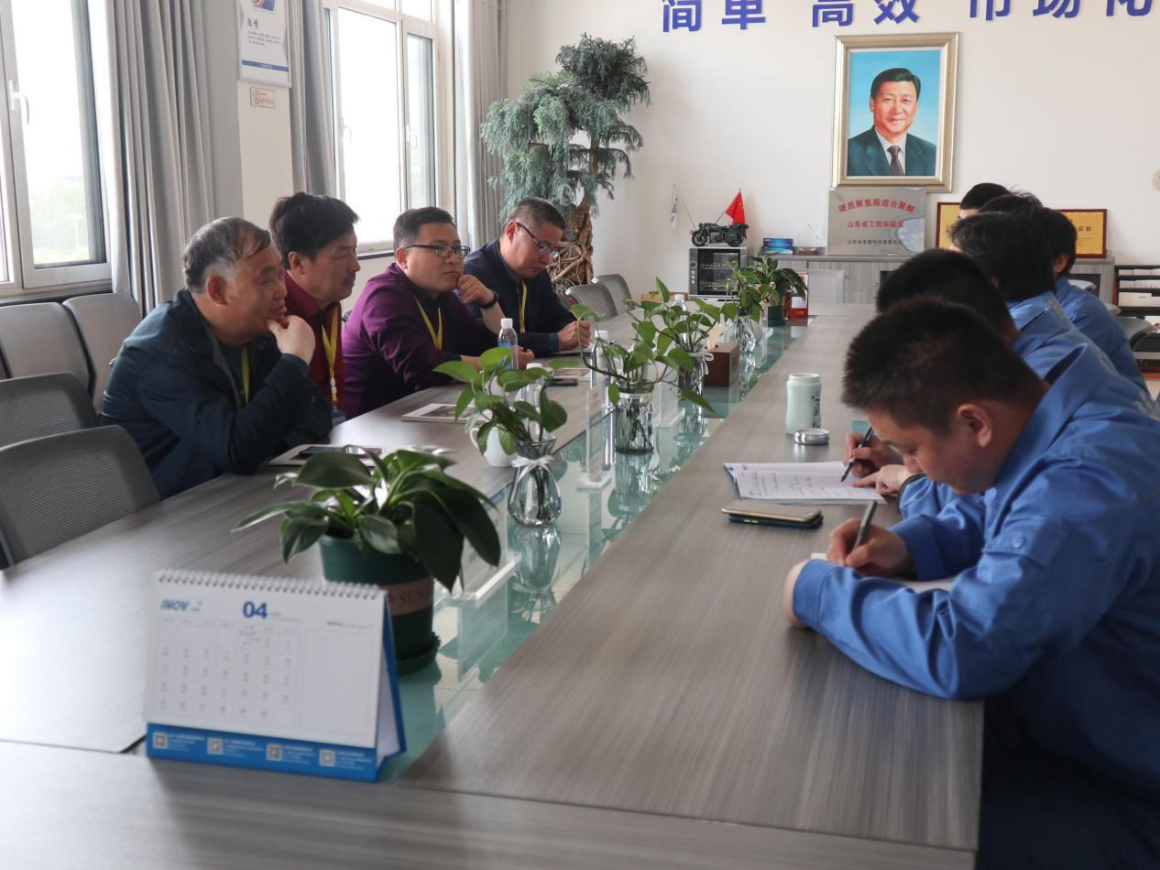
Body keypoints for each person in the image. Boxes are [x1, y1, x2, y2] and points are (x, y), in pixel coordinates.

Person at [784, 299, 1160, 868]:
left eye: (912, 450)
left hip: (1126, 796)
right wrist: (912, 545)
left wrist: (813, 591)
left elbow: (967, 646)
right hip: (1069, 724)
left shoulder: (1087, 479)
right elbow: (1002, 511)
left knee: (868, 828)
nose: (913, 467)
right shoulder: (1054, 417)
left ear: (974, 423)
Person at [846, 249, 1154, 513]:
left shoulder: (1031, 383)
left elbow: (988, 496)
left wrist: (909, 479)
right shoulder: (1035, 353)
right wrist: (912, 450)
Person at [102, 217, 332, 499]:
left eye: (280, 275)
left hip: (234, 492)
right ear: (217, 290)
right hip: (167, 512)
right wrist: (294, 360)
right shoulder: (160, 353)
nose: (282, 290)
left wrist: (265, 439)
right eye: (266, 279)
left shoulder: (256, 330)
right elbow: (239, 450)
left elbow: (319, 414)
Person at [341, 207, 533, 419]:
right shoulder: (382, 297)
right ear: (403, 258)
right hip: (370, 423)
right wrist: (502, 363)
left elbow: (484, 344)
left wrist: (488, 301)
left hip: (420, 411)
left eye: (457, 249)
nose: (453, 258)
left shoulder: (443, 296)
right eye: (439, 248)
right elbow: (421, 366)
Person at [269, 192, 360, 419]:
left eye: (354, 251)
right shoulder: (276, 313)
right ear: (298, 262)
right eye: (342, 255)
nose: (355, 266)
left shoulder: (330, 302)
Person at [462, 198, 589, 357]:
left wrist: (575, 330)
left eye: (552, 250)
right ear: (511, 231)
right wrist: (553, 341)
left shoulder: (537, 273)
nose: (547, 260)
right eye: (542, 246)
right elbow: (489, 342)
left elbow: (558, 317)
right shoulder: (473, 274)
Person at [846, 68, 936, 177]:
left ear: (916, 107)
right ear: (872, 104)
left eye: (906, 100)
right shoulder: (847, 153)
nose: (897, 110)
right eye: (888, 99)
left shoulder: (932, 154)